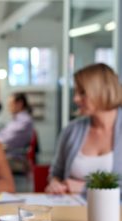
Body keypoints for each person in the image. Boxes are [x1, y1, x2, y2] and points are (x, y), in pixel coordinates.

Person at [45, 63, 122, 194]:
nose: (75, 99)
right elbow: (56, 172)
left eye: (82, 93)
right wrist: (55, 183)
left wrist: (85, 188)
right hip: (73, 210)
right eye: (75, 92)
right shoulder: (71, 129)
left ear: (102, 91)